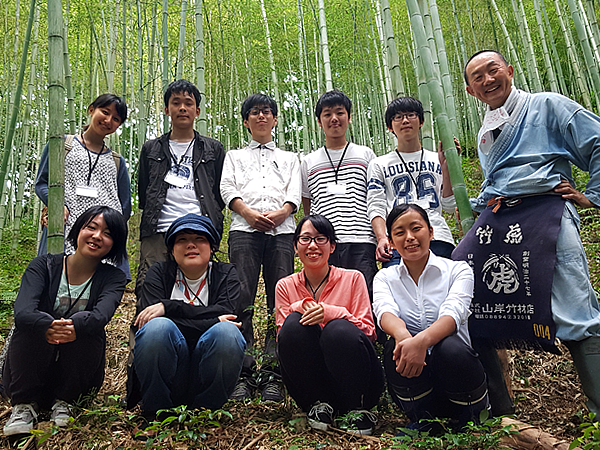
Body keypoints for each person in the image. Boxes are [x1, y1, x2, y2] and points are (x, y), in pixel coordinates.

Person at [458, 49, 600, 416]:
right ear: (471, 91)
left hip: (547, 209)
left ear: (509, 69)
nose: (488, 80)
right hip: (500, 217)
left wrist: (592, 195)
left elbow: (597, 141)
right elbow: (496, 182)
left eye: (493, 70)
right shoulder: (485, 134)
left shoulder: (549, 105)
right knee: (458, 292)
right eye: (478, 77)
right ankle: (499, 413)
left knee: (575, 310)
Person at [3, 206, 128, 436]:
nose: (97, 236)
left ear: (115, 243)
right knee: (32, 322)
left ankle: (66, 402)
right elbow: (22, 311)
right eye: (91, 227)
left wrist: (75, 327)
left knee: (86, 323)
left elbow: (101, 316)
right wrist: (47, 325)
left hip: (77, 375)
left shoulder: (114, 278)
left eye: (108, 233)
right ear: (78, 230)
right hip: (29, 369)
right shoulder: (43, 266)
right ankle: (23, 405)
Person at [373, 204, 489, 434]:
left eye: (416, 228)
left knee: (450, 347)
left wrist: (421, 342)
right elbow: (384, 311)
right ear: (392, 242)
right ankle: (423, 419)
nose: (409, 237)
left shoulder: (458, 270)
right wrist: (405, 338)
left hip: (458, 373)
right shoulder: (385, 277)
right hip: (418, 378)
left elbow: (453, 313)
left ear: (431, 232)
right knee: (393, 347)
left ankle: (472, 418)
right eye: (399, 232)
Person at [220, 93, 301, 402]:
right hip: (244, 230)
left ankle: (273, 373)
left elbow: (294, 190)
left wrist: (282, 213)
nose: (261, 116)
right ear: (246, 121)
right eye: (255, 112)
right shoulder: (234, 156)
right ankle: (243, 371)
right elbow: (227, 187)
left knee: (279, 300)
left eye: (267, 112)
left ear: (275, 119)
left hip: (282, 233)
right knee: (241, 299)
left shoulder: (291, 157)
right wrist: (248, 213)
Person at [275, 215, 384, 435]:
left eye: (320, 239)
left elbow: (369, 332)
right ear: (295, 247)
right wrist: (301, 305)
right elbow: (284, 338)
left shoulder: (353, 278)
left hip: (356, 380)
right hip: (313, 385)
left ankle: (358, 408)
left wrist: (332, 313)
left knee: (337, 330)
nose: (312, 245)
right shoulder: (285, 286)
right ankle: (318, 405)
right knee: (294, 325)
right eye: (305, 239)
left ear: (332, 246)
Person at [130, 214, 245, 417]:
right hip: (171, 367)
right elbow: (149, 322)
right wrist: (212, 321)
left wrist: (169, 307)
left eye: (199, 239)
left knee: (227, 333)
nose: (191, 245)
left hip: (207, 365)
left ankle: (206, 413)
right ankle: (156, 413)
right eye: (182, 240)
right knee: (157, 329)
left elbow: (227, 314)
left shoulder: (226, 273)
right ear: (172, 250)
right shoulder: (158, 273)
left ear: (212, 247)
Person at [136, 79, 225, 302]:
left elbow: (218, 193)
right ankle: (144, 336)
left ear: (198, 110)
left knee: (200, 290)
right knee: (150, 287)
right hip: (159, 230)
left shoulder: (213, 148)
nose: (182, 108)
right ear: (167, 110)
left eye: (188, 103)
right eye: (176, 103)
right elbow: (145, 191)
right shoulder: (151, 148)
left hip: (199, 229)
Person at [35, 94, 131, 279]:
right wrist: (56, 207)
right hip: (63, 229)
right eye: (105, 112)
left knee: (98, 291)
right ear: (91, 109)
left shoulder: (117, 161)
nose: (108, 120)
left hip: (101, 237)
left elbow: (124, 205)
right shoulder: (61, 145)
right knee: (54, 283)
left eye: (116, 119)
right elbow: (42, 183)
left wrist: (110, 230)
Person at [301, 90, 378, 300]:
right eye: (327, 114)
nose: (334, 119)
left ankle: (370, 335)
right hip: (326, 243)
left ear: (349, 117)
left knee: (365, 297)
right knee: (328, 298)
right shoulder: (309, 161)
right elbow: (308, 203)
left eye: (340, 113)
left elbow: (374, 197)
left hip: (361, 238)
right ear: (319, 121)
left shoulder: (366, 155)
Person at [367, 97, 456, 267]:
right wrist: (381, 238)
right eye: (398, 117)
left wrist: (446, 166)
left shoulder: (438, 158)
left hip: (438, 235)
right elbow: (375, 205)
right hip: (398, 240)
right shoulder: (379, 164)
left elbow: (450, 206)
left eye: (411, 115)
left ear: (421, 121)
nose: (405, 120)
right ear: (389, 126)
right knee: (399, 291)